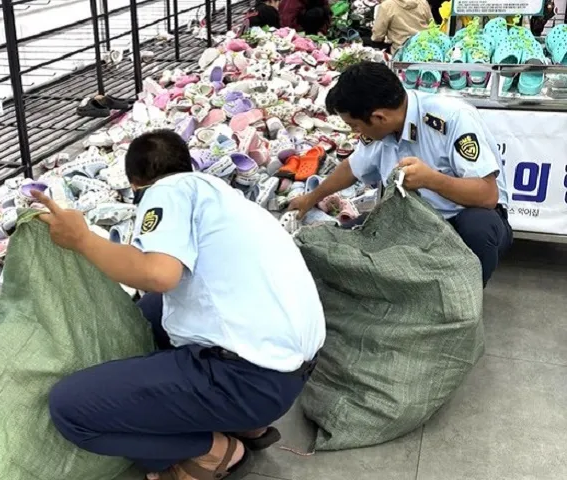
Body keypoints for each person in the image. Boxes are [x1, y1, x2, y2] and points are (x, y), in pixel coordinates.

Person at [40, 130, 325, 479]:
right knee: (148, 313)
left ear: (136, 183)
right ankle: (245, 425)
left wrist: (82, 239)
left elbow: (158, 274)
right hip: (290, 373)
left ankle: (212, 451)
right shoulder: (221, 194)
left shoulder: (164, 192)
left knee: (69, 409)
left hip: (247, 383)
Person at [289, 62, 512, 287]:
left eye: (355, 126)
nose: (355, 133)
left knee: (479, 227)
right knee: (338, 247)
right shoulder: (382, 130)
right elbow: (352, 168)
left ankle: (463, 298)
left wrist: (432, 180)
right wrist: (310, 198)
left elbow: (487, 195)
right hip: (410, 220)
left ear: (379, 118)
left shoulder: (452, 117)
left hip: (459, 220)